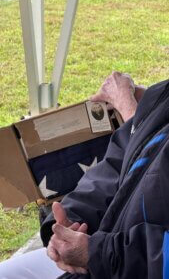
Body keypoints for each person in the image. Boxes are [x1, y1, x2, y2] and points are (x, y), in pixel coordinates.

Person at [0, 71, 146, 279]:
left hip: (124, 260)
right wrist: (67, 225)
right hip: (107, 249)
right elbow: (113, 167)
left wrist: (131, 113)